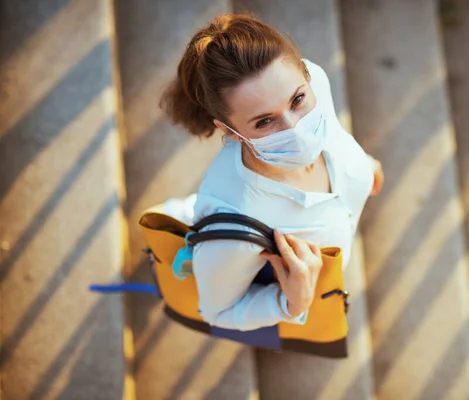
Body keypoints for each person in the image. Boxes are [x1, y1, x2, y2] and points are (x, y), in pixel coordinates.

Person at [160, 14, 384, 331]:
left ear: (306, 77)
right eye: (264, 122)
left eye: (298, 100)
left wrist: (360, 165)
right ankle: (186, 217)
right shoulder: (232, 237)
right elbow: (217, 312)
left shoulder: (317, 81)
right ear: (231, 131)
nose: (296, 131)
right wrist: (291, 303)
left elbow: (330, 130)